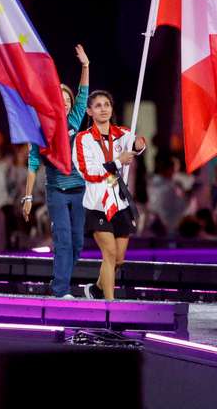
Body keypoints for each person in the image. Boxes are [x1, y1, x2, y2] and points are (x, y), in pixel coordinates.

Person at [22, 44, 90, 299]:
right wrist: (28, 197)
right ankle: (61, 289)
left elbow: (83, 94)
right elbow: (32, 165)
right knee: (63, 240)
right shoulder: (40, 131)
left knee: (77, 243)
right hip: (56, 191)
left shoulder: (73, 122)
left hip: (79, 190)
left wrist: (85, 66)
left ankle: (61, 281)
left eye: (68, 100)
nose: (64, 103)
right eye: (59, 99)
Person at [73, 90, 146, 301]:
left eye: (107, 104)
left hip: (120, 203)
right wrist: (117, 162)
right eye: (98, 105)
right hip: (97, 204)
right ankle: (110, 305)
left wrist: (139, 145)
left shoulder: (121, 133)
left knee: (119, 259)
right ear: (89, 111)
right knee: (110, 254)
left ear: (112, 108)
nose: (103, 109)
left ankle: (95, 289)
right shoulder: (83, 139)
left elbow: (135, 143)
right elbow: (88, 171)